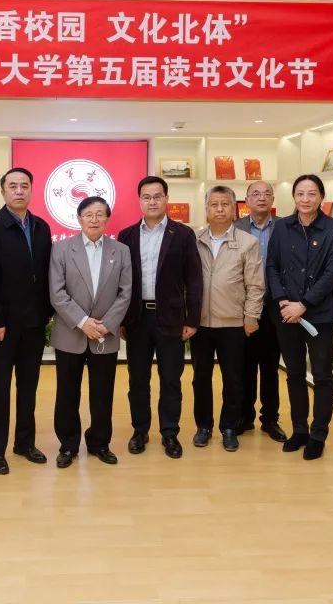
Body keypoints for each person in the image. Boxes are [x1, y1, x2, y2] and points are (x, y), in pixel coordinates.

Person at [0, 167, 53, 475]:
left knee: (29, 386)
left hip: (34, 322)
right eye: (13, 186)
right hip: (3, 325)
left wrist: (46, 313)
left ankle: (24, 443)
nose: (19, 190)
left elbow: (46, 274)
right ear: (3, 191)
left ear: (31, 190)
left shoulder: (41, 227)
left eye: (24, 186)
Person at [118, 175, 203, 459]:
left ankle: (169, 433)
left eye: (157, 196)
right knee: (137, 379)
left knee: (170, 379)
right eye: (146, 197)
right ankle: (139, 430)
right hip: (137, 318)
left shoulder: (183, 234)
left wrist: (192, 319)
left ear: (167, 199)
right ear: (139, 201)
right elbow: (121, 281)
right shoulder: (127, 235)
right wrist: (121, 319)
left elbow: (194, 279)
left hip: (171, 318)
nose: (152, 201)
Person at [265, 174, 333, 461]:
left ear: (321, 197)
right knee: (294, 374)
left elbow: (332, 273)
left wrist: (304, 304)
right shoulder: (282, 227)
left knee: (322, 375)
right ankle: (299, 430)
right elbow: (272, 266)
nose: (305, 199)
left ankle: (318, 434)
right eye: (300, 193)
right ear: (294, 197)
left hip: (319, 316)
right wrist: (282, 300)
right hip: (286, 314)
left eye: (312, 193)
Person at [49, 197, 132, 468]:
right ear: (79, 218)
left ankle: (99, 443)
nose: (94, 219)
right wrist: (83, 321)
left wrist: (107, 324)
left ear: (107, 219)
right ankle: (68, 445)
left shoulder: (121, 251)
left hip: (105, 334)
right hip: (70, 332)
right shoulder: (61, 249)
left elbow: (125, 292)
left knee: (102, 393)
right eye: (88, 214)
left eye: (99, 214)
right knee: (67, 393)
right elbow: (57, 293)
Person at [192, 186, 265, 452]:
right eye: (214, 204)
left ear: (235, 209)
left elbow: (255, 285)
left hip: (234, 323)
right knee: (200, 378)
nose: (220, 209)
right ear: (206, 209)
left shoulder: (247, 242)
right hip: (200, 323)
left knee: (234, 379)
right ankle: (203, 426)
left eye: (225, 204)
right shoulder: (194, 240)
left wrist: (251, 317)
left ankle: (229, 427)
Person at [234, 181, 286, 442]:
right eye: (255, 194)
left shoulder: (285, 227)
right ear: (246, 200)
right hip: (244, 306)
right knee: (244, 366)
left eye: (267, 194)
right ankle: (244, 417)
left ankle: (270, 419)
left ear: (273, 199)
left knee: (270, 366)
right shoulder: (236, 227)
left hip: (275, 307)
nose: (261, 198)